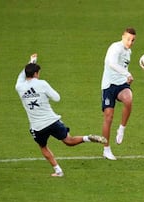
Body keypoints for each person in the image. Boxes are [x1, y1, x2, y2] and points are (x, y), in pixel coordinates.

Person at [15, 54, 107, 177]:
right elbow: (57, 98)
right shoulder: (42, 84)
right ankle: (87, 138)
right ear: (36, 73)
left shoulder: (19, 87)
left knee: (43, 147)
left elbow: (21, 76)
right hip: (52, 121)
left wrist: (31, 62)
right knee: (69, 141)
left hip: (37, 127)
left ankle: (58, 171)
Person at [101, 27, 136, 160]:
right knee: (108, 118)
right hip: (108, 85)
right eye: (128, 39)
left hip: (121, 83)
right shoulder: (115, 48)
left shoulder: (129, 52)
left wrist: (126, 78)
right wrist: (127, 73)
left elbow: (123, 66)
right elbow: (112, 64)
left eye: (132, 40)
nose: (130, 42)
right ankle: (106, 149)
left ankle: (121, 128)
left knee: (128, 99)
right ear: (122, 37)